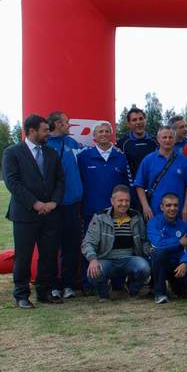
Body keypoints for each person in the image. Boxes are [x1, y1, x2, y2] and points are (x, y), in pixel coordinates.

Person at [3, 114, 65, 308]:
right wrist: (35, 203)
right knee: (24, 255)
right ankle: (21, 295)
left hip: (50, 214)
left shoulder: (51, 153)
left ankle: (44, 291)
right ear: (32, 131)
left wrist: (54, 202)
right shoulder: (12, 152)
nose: (49, 133)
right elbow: (12, 182)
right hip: (25, 214)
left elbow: (60, 180)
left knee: (49, 254)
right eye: (45, 130)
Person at [81, 185, 151, 301]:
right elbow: (87, 243)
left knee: (144, 267)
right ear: (112, 201)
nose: (124, 204)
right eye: (120, 200)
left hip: (130, 259)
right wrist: (93, 259)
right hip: (106, 260)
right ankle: (104, 293)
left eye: (127, 201)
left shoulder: (136, 217)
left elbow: (144, 241)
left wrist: (151, 250)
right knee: (93, 272)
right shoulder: (100, 218)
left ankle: (132, 290)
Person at [46, 111, 84, 299]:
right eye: (67, 122)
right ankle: (53, 284)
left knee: (71, 245)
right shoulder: (44, 145)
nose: (70, 125)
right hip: (53, 205)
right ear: (57, 124)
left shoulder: (73, 144)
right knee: (52, 246)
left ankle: (68, 284)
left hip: (73, 203)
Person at [77, 122, 131, 230]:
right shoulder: (83, 156)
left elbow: (128, 183)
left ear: (111, 134)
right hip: (91, 211)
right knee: (92, 244)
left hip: (116, 211)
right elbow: (78, 182)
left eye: (107, 131)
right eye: (100, 131)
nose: (104, 134)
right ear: (94, 136)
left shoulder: (121, 156)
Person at [134, 126, 187, 222]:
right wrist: (145, 207)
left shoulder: (183, 160)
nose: (167, 140)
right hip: (155, 211)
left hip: (178, 211)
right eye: (164, 137)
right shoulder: (148, 160)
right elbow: (139, 185)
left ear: (174, 139)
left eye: (170, 137)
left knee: (180, 236)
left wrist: (186, 208)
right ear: (158, 139)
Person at [146, 193, 187, 304]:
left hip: (177, 265)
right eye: (168, 205)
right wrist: (178, 243)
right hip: (159, 264)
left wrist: (184, 262)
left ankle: (178, 287)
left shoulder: (183, 225)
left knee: (182, 292)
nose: (172, 208)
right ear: (161, 207)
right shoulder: (153, 223)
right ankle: (160, 293)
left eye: (175, 205)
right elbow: (158, 245)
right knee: (160, 253)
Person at [117, 107, 157, 178]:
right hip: (131, 186)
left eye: (141, 119)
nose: (138, 122)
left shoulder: (156, 141)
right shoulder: (121, 143)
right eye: (134, 120)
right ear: (129, 124)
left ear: (145, 120)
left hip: (153, 185)